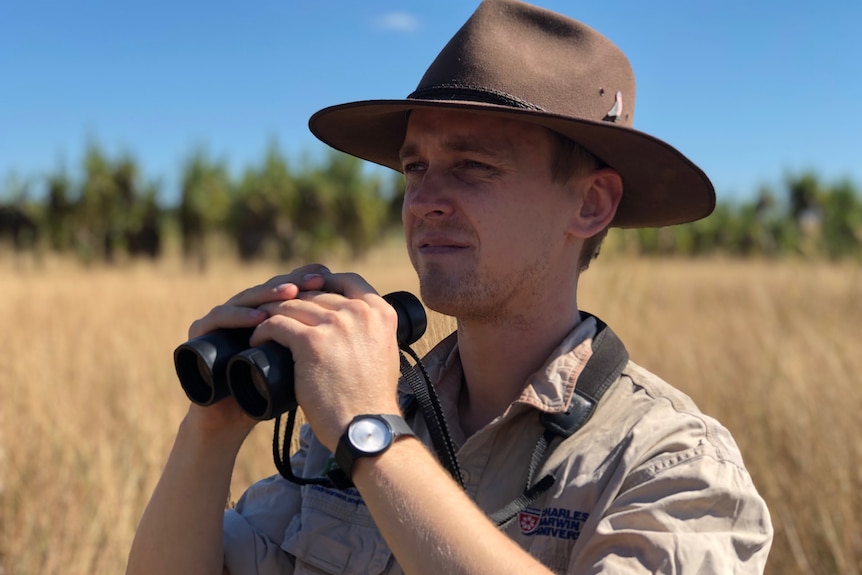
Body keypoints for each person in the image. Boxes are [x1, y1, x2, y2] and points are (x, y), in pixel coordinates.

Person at [126, 1, 773, 573]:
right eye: (415, 167)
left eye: (472, 166)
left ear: (590, 205)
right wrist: (213, 424)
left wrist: (373, 436)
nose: (426, 200)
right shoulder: (351, 419)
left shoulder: (670, 462)